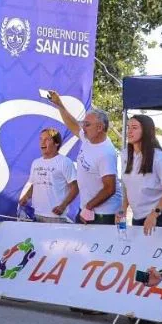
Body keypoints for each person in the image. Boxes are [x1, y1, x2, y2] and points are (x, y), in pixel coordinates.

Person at [49, 91, 122, 224]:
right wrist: (59, 105)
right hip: (88, 209)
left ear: (99, 127)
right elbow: (73, 125)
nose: (83, 127)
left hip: (103, 214)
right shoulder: (89, 139)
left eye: (87, 124)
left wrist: (89, 206)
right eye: (84, 124)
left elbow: (109, 188)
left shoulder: (106, 153)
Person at [118, 114, 162, 234]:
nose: (129, 131)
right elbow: (129, 187)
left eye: (134, 127)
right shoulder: (125, 155)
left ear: (146, 131)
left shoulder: (158, 157)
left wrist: (155, 214)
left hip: (159, 217)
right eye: (128, 127)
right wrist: (123, 209)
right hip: (137, 217)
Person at [18, 128, 79, 223]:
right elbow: (35, 184)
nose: (42, 142)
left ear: (56, 143)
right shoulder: (36, 163)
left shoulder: (65, 162)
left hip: (55, 217)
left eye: (47, 139)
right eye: (41, 139)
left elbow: (75, 188)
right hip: (36, 214)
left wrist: (62, 206)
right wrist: (26, 197)